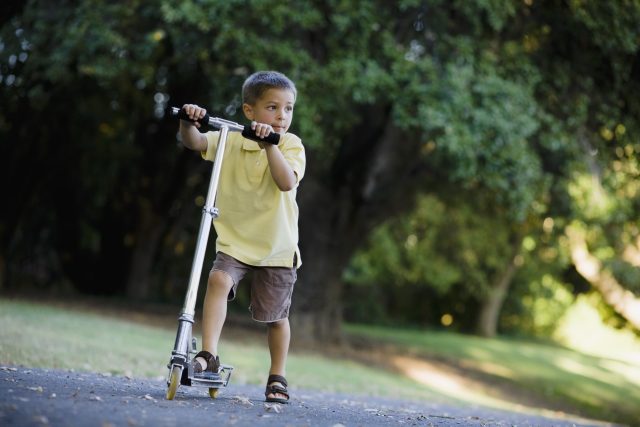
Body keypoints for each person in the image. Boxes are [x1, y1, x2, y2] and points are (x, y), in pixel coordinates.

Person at [178, 71, 305, 404]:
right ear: (249, 111)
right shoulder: (230, 138)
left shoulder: (290, 145)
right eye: (273, 107)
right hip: (235, 242)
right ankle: (209, 354)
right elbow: (195, 142)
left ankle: (277, 375)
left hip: (276, 248)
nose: (282, 116)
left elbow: (285, 182)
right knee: (218, 279)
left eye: (288, 109)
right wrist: (189, 123)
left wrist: (269, 146)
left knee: (275, 317)